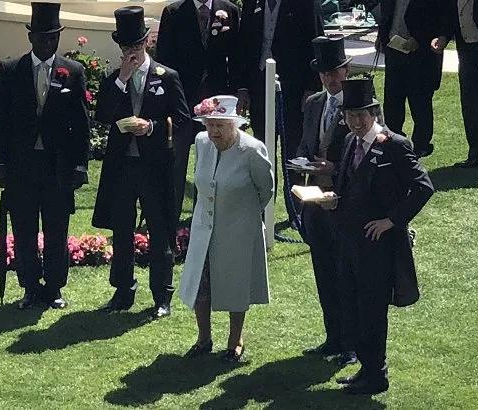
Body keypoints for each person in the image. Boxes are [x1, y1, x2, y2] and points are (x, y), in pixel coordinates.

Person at [321, 79, 434, 394]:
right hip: (348, 239)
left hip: (377, 246)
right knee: (352, 305)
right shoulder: (348, 143)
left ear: (373, 113)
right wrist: (332, 200)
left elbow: (423, 187)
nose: (356, 122)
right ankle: (366, 368)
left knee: (372, 309)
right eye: (350, 115)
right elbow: (347, 185)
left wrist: (392, 221)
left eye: (361, 115)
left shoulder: (394, 145)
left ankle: (377, 374)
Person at [92, 6, 191, 320]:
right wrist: (122, 78)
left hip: (155, 166)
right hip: (122, 166)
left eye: (135, 47)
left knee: (159, 230)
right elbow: (102, 114)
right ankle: (123, 291)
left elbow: (185, 120)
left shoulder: (167, 76)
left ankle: (162, 295)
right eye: (125, 48)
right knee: (122, 231)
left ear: (147, 42)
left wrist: (153, 128)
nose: (130, 53)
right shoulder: (114, 79)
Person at [0, 2, 90, 310]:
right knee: (24, 229)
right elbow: (0, 120)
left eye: (53, 37)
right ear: (31, 37)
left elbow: (82, 123)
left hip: (57, 166)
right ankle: (31, 287)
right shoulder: (10, 71)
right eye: (43, 37)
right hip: (21, 166)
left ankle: (55, 287)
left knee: (57, 229)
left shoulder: (73, 72)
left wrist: (80, 165)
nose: (48, 43)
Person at [179, 95, 274, 362]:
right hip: (203, 227)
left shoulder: (252, 150)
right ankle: (203, 338)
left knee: (236, 284)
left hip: (238, 229)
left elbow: (266, 189)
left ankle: (235, 341)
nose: (214, 131)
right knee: (201, 283)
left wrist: (245, 214)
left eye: (220, 125)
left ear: (235, 125)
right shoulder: (201, 143)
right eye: (209, 124)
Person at [295, 35, 357, 366]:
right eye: (325, 74)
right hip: (314, 201)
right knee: (323, 271)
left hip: (343, 202)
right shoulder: (314, 103)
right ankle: (333, 337)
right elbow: (306, 143)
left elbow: (367, 152)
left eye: (336, 72)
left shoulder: (359, 105)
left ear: (346, 71)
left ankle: (351, 343)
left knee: (345, 273)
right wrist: (303, 161)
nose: (331, 79)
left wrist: (334, 167)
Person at [237, 0, 324, 227]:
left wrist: (311, 88)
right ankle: (264, 208)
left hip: (294, 90)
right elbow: (244, 45)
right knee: (262, 149)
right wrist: (243, 88)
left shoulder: (306, 5)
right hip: (259, 87)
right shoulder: (251, 4)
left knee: (293, 149)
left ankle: (296, 210)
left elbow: (315, 41)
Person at [156, 0, 240, 221]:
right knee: (178, 158)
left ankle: (211, 214)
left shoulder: (230, 11)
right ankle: (171, 217)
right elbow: (163, 59)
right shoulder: (173, 12)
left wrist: (239, 92)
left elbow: (238, 55)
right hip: (181, 99)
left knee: (215, 158)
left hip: (216, 99)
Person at [377, 0, 448, 158]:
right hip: (394, 50)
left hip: (421, 55)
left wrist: (420, 40)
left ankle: (422, 145)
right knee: (392, 101)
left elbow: (440, 18)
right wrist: (381, 36)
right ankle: (394, 142)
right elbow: (387, 13)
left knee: (420, 103)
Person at [433, 0, 478, 168]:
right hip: (467, 52)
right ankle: (476, 152)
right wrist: (443, 38)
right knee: (470, 104)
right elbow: (449, 17)